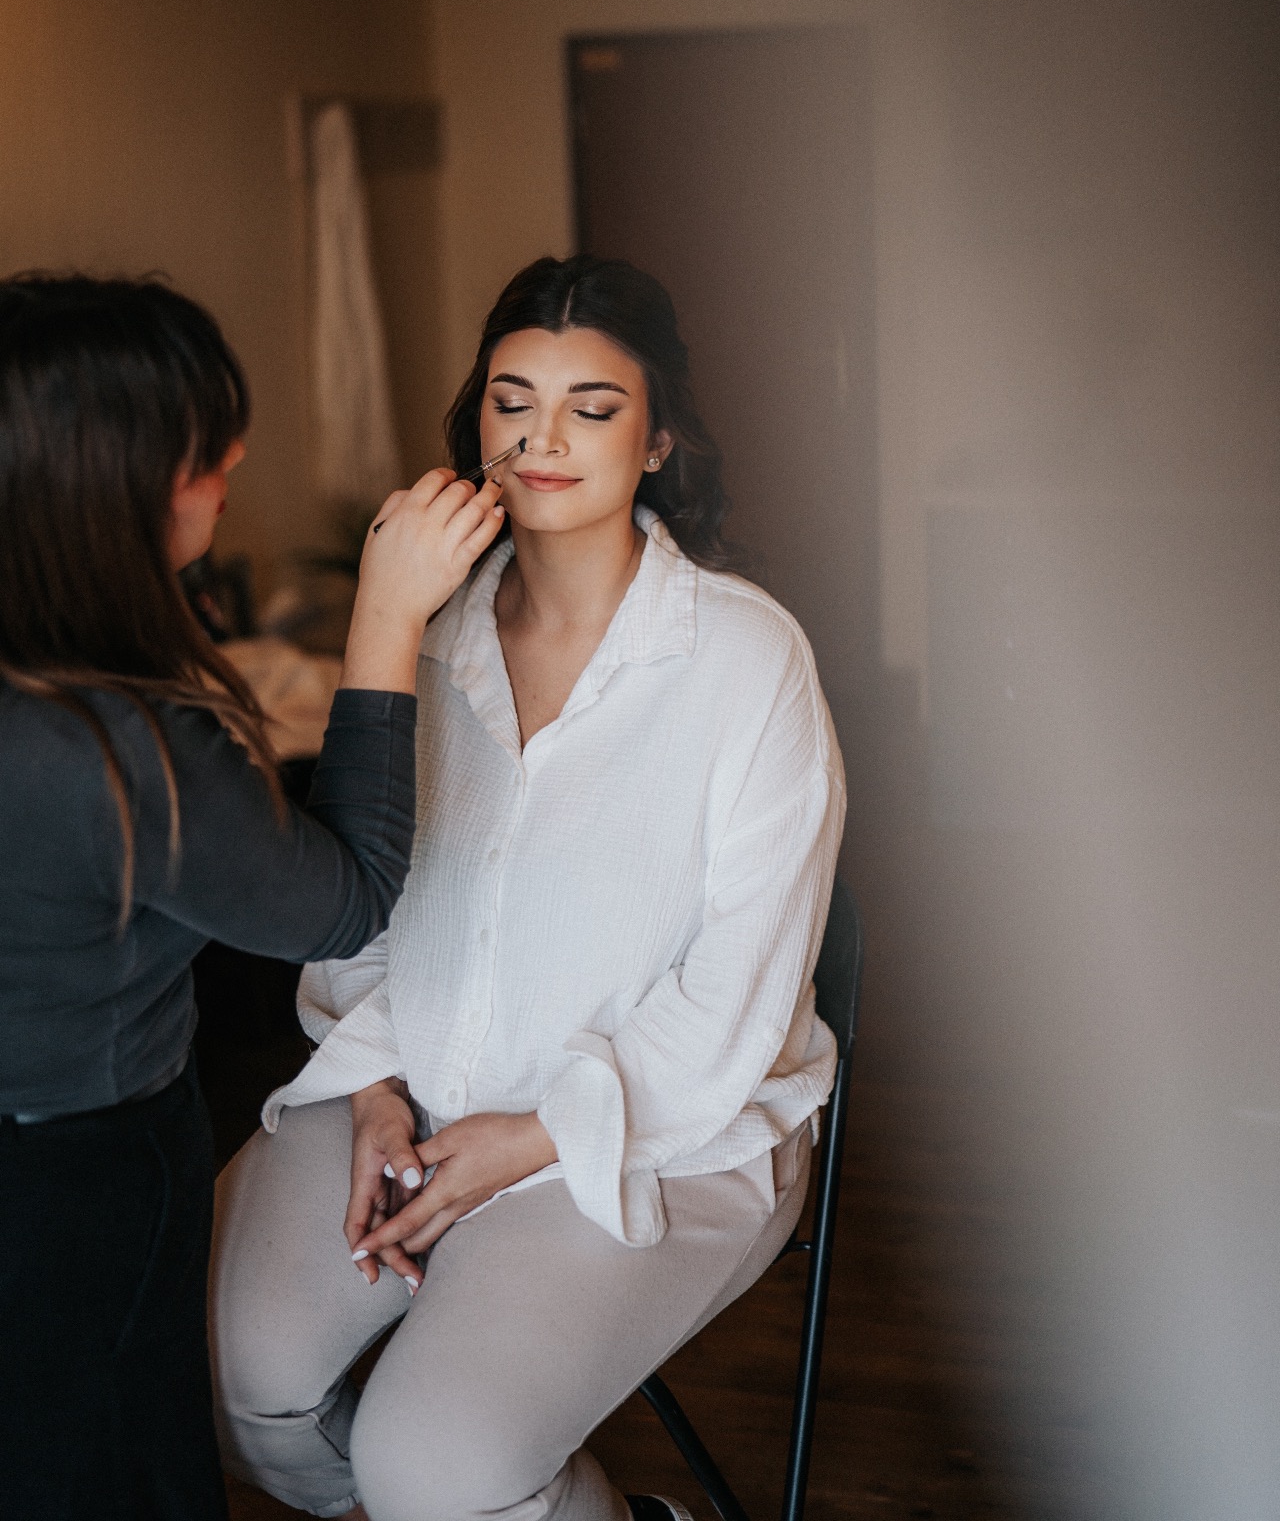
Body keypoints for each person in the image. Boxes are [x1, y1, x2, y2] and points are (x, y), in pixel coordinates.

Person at [211, 255, 846, 1521]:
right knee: (237, 1386)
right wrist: (374, 1089)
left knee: (430, 1467)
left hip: (666, 1123)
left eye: (590, 409)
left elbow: (736, 993)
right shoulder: (423, 633)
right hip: (404, 1078)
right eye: (512, 402)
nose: (542, 438)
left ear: (655, 440)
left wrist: (537, 1134)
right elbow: (360, 898)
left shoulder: (744, 657)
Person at [0, 273, 506, 1521]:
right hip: (69, 1177)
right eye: (201, 444)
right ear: (107, 482)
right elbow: (348, 900)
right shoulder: (114, 746)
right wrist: (387, 615)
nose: (233, 457)